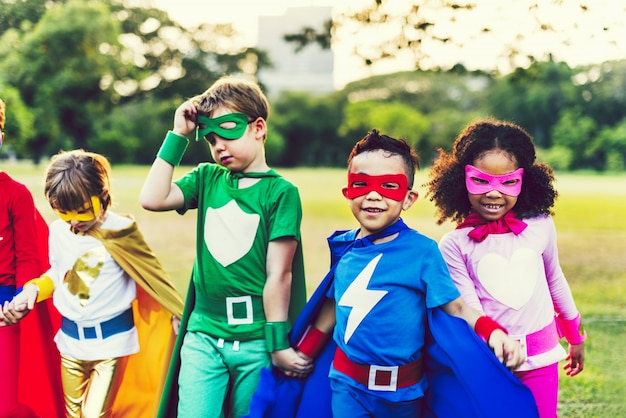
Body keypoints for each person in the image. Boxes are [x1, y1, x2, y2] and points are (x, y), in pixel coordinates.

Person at [286, 129, 526, 418]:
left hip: (404, 392)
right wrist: (302, 354)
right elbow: (333, 309)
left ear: (409, 198)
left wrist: (493, 331)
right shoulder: (346, 247)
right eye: (361, 184)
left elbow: (456, 306)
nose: (373, 195)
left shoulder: (423, 252)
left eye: (388, 185)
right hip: (346, 386)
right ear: (348, 192)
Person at [139, 76, 309, 418]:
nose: (219, 147)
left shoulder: (280, 193)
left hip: (256, 340)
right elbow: (152, 198)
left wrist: (277, 342)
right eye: (211, 139)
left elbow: (280, 273)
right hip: (203, 336)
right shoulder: (207, 178)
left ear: (258, 128)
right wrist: (178, 135)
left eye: (228, 132)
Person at [424, 118, 586, 417]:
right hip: (487, 361)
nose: (494, 193)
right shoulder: (454, 244)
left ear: (524, 181)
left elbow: (555, 279)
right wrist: (497, 340)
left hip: (541, 359)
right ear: (461, 180)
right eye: (481, 181)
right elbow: (467, 307)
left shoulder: (541, 227)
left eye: (507, 182)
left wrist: (575, 335)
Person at [4, 149, 184, 418]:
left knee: (94, 415)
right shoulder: (60, 231)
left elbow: (153, 277)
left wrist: (177, 312)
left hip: (112, 345)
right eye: (64, 213)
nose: (75, 221)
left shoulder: (121, 231)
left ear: (102, 195)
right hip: (71, 343)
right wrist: (34, 289)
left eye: (83, 211)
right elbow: (57, 273)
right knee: (73, 414)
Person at [0, 98, 64, 418]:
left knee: (7, 404)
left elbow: (27, 256)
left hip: (4, 306)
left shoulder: (15, 194)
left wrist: (20, 299)